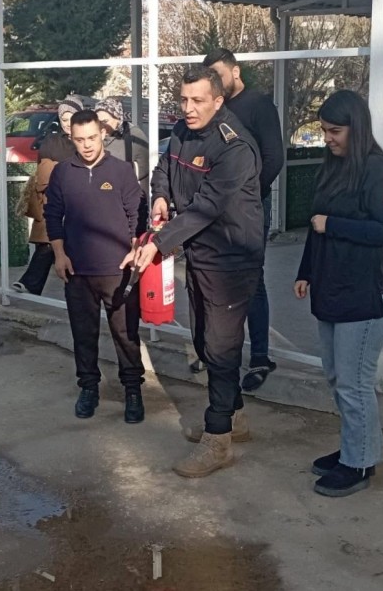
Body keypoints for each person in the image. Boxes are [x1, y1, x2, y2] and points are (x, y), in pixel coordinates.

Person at [123, 66, 264, 478]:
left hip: (232, 259)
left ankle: (217, 439)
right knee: (203, 340)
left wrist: (156, 244)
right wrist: (163, 197)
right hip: (199, 252)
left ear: (219, 100)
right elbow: (164, 168)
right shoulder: (184, 132)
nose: (188, 108)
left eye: (198, 100)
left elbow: (206, 207)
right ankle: (234, 415)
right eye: (184, 100)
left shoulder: (235, 148)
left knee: (220, 347)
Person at [294, 90, 383, 498]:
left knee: (354, 384)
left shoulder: (380, 172)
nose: (328, 138)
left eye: (335, 131)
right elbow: (315, 223)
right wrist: (306, 270)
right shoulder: (333, 167)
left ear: (356, 129)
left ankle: (357, 465)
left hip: (366, 296)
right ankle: (358, 449)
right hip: (333, 290)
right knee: (339, 377)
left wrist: (334, 225)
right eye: (323, 130)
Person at [45, 110, 145, 422]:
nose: (86, 145)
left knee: (126, 335)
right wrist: (60, 255)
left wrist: (134, 249)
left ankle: (133, 391)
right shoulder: (62, 173)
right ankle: (88, 388)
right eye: (79, 140)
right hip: (77, 271)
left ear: (102, 133)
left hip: (118, 271)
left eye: (91, 137)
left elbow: (136, 215)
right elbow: (53, 217)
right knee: (83, 334)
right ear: (71, 139)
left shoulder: (122, 170)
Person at [203, 48, 285, 391]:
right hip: (214, 209)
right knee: (214, 278)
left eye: (219, 76)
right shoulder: (214, 107)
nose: (215, 84)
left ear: (235, 72)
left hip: (250, 208)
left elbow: (274, 157)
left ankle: (260, 357)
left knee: (253, 279)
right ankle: (218, 354)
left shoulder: (258, 105)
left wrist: (247, 195)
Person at [12, 97, 82, 295]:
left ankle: (32, 284)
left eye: (72, 118)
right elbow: (44, 172)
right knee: (48, 243)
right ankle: (30, 284)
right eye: (64, 119)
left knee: (63, 246)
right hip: (53, 200)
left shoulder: (85, 142)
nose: (67, 123)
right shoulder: (51, 140)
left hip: (79, 203)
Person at [94, 98, 150, 233]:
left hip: (129, 205)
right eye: (98, 122)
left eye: (105, 121)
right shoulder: (96, 137)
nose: (102, 126)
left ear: (118, 118)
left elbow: (144, 168)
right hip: (102, 205)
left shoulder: (134, 135)